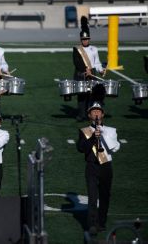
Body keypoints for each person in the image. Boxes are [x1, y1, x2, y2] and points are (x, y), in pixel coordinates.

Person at [77, 101, 120, 234]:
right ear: (89, 115)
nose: (96, 113)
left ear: (102, 114)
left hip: (106, 166)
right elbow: (81, 148)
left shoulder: (111, 131)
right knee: (92, 196)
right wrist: (92, 138)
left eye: (98, 111)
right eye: (93, 111)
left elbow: (115, 147)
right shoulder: (84, 131)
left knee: (105, 196)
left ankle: (101, 222)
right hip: (92, 167)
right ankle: (92, 224)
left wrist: (102, 133)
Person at [73, 16, 106, 122]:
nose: (85, 41)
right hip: (80, 74)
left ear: (89, 39)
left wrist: (101, 70)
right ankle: (81, 115)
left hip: (91, 73)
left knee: (92, 95)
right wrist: (85, 69)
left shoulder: (94, 49)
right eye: (83, 39)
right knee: (82, 96)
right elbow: (76, 62)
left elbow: (97, 62)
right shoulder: (77, 49)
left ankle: (89, 114)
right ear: (81, 39)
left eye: (86, 39)